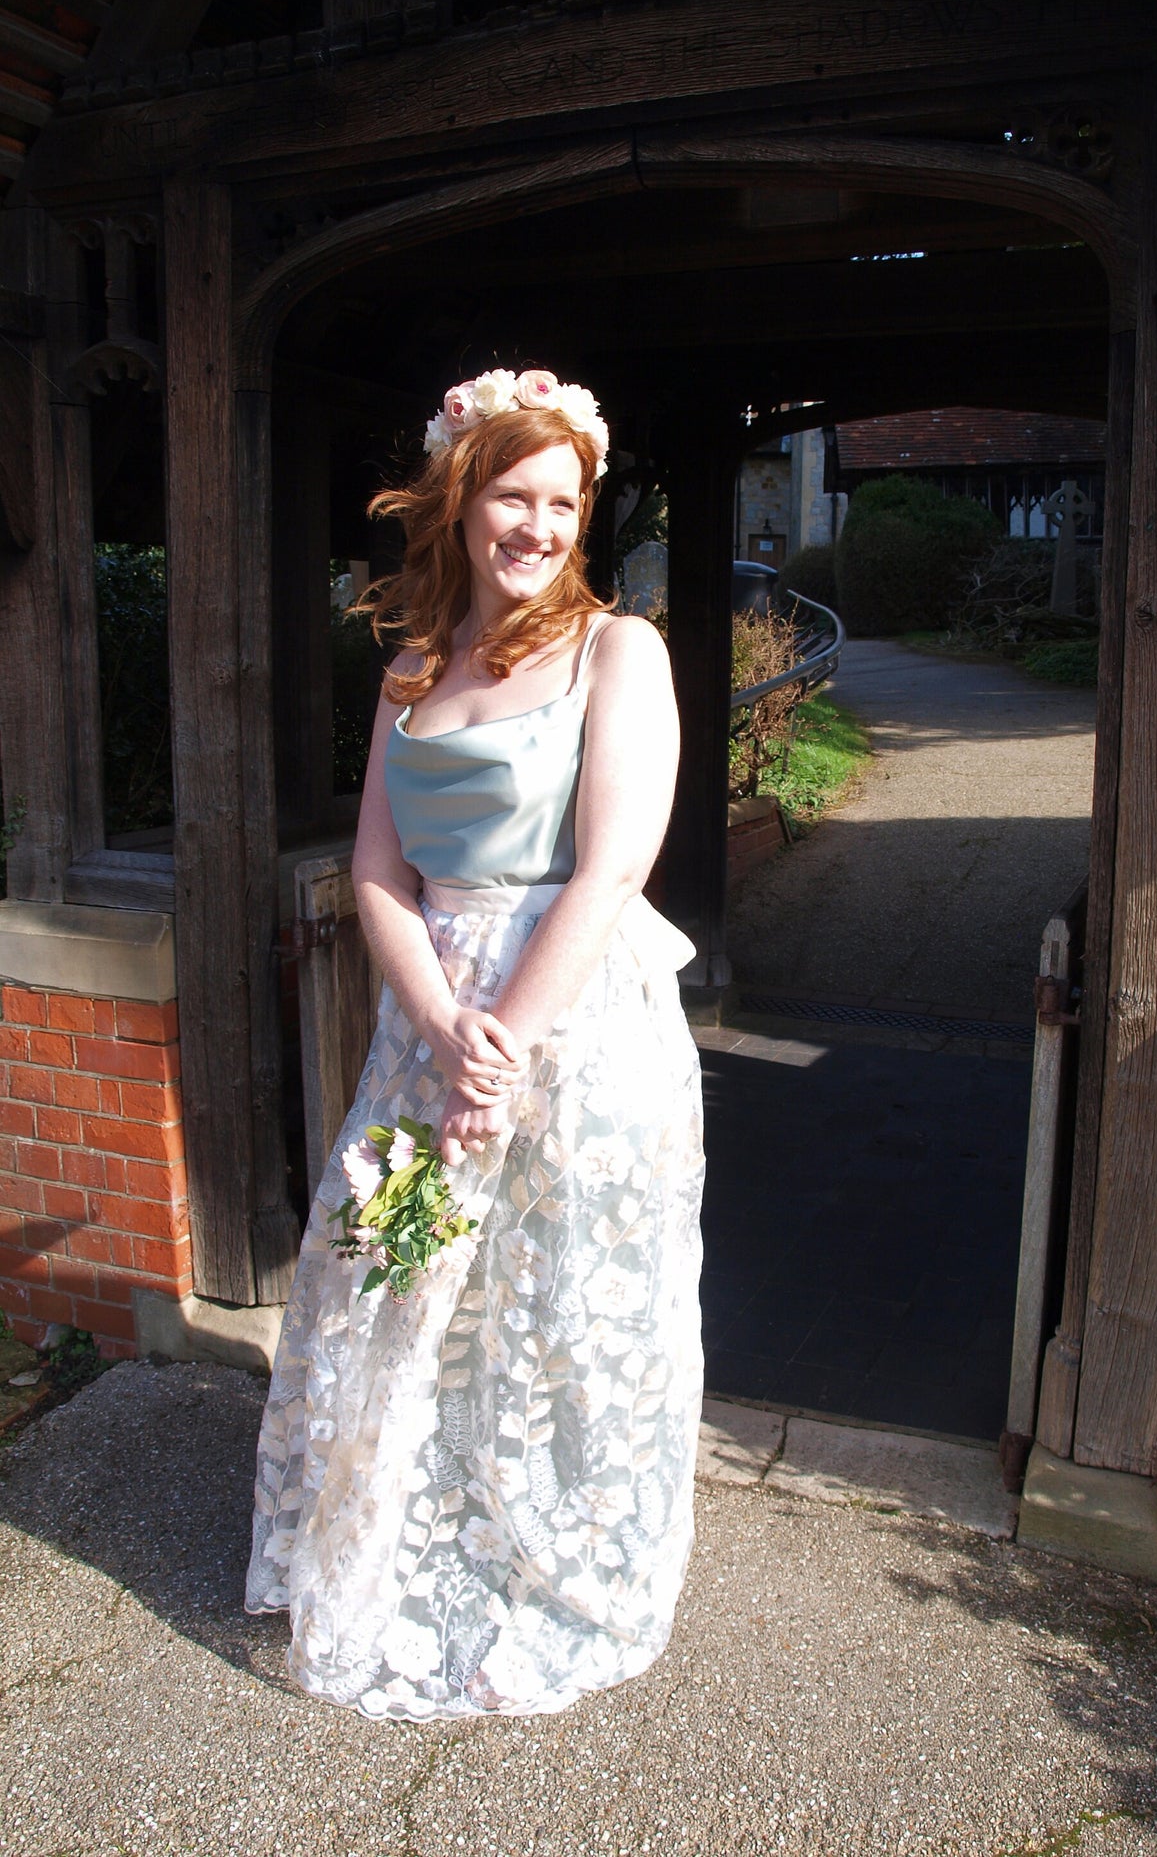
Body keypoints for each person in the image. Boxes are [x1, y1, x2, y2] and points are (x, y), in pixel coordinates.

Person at [244, 368, 705, 1722]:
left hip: (575, 1015)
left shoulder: (619, 651)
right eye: (515, 492)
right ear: (461, 494)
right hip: (427, 1012)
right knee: (395, 1273)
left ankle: (555, 1560)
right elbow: (377, 871)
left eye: (564, 500)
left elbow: (614, 864)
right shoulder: (406, 665)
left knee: (559, 1296)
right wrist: (440, 1025)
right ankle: (400, 1538)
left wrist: (498, 1052)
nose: (540, 523)